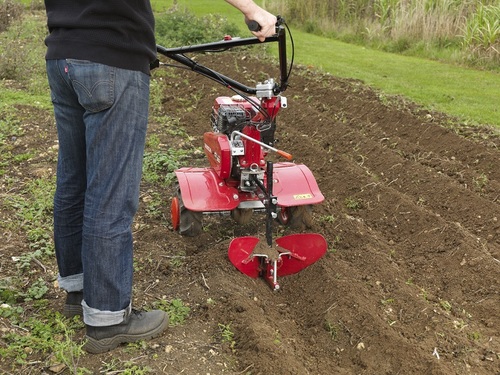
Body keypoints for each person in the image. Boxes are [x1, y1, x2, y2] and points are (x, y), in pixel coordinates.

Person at [44, 0, 277, 354]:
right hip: (111, 59)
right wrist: (252, 10)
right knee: (110, 193)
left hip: (62, 56)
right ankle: (107, 318)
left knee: (74, 182)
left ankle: (79, 292)